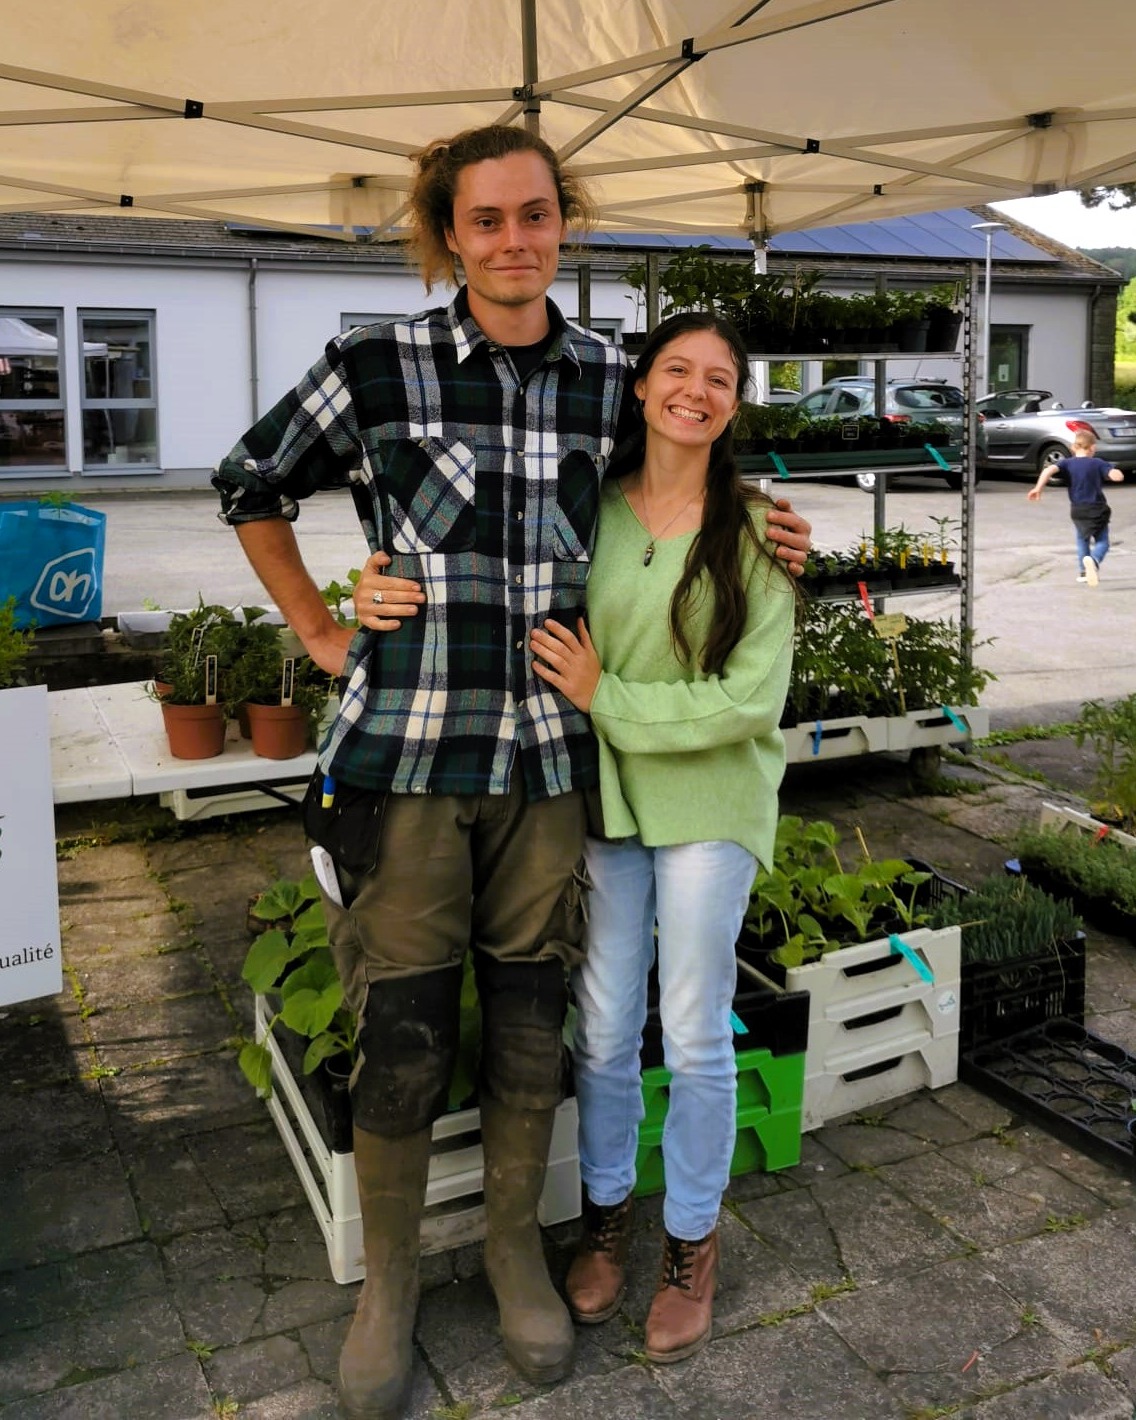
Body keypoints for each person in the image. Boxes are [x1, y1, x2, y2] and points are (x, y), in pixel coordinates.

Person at [213, 123, 811, 1420]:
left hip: (549, 763)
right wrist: (319, 625)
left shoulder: (607, 376)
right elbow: (248, 480)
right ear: (448, 234)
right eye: (484, 219)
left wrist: (766, 520)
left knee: (538, 1017)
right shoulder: (376, 365)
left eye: (534, 214)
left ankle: (510, 1254)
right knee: (404, 1023)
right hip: (408, 752)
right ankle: (387, 1288)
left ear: (563, 220)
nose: (512, 240)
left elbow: (683, 475)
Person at [525, 311, 796, 1364]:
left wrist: (608, 699)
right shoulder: (584, 511)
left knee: (690, 1027)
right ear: (639, 387)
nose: (696, 390)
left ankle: (690, 1241)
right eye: (676, 370)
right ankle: (605, 1216)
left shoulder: (755, 532)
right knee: (600, 1026)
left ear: (734, 404)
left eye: (719, 378)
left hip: (709, 802)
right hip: (608, 799)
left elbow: (748, 701)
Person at [1027, 429, 1124, 585]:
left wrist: (1038, 488)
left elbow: (1048, 470)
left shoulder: (1066, 463)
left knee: (1082, 540)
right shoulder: (1098, 463)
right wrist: (1116, 472)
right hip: (1097, 509)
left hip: (1078, 509)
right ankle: (1094, 560)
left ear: (1073, 447)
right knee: (1102, 542)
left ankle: (1084, 572)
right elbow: (1116, 476)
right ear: (1092, 448)